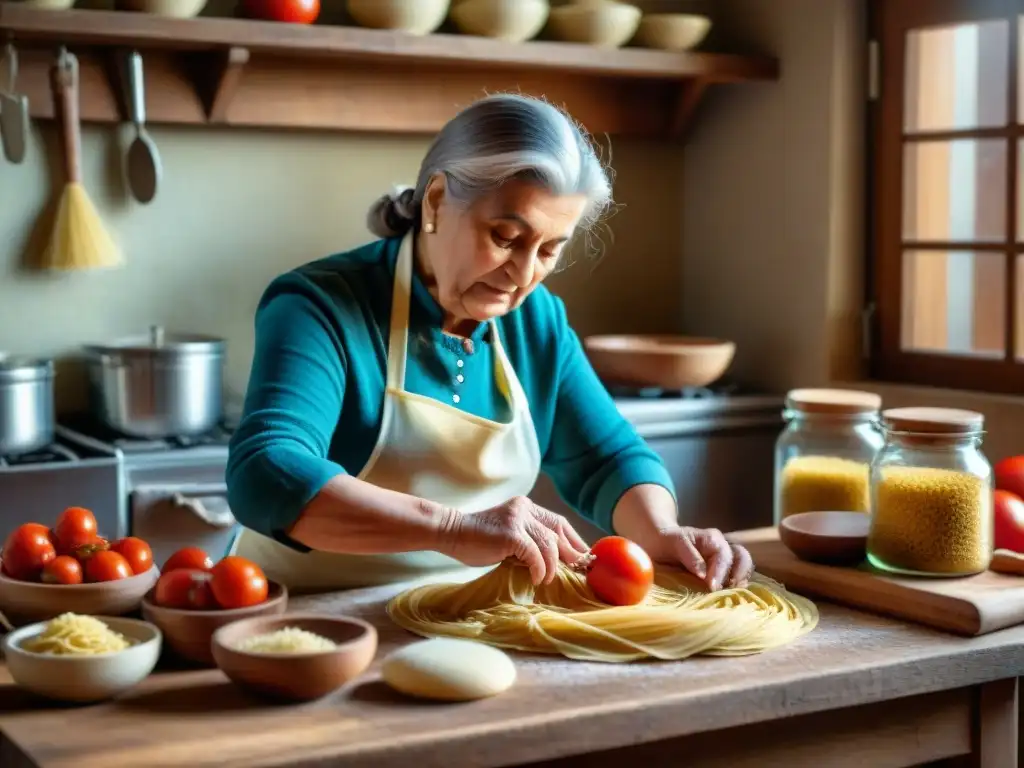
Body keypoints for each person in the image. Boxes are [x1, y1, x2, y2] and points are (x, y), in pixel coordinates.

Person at [226, 94, 753, 593]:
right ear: (435, 201)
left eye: (549, 250)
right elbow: (267, 472)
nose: (523, 275)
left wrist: (660, 530)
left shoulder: (536, 322)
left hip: (455, 618)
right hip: (309, 617)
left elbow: (608, 458)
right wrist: (453, 527)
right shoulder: (319, 304)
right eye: (506, 238)